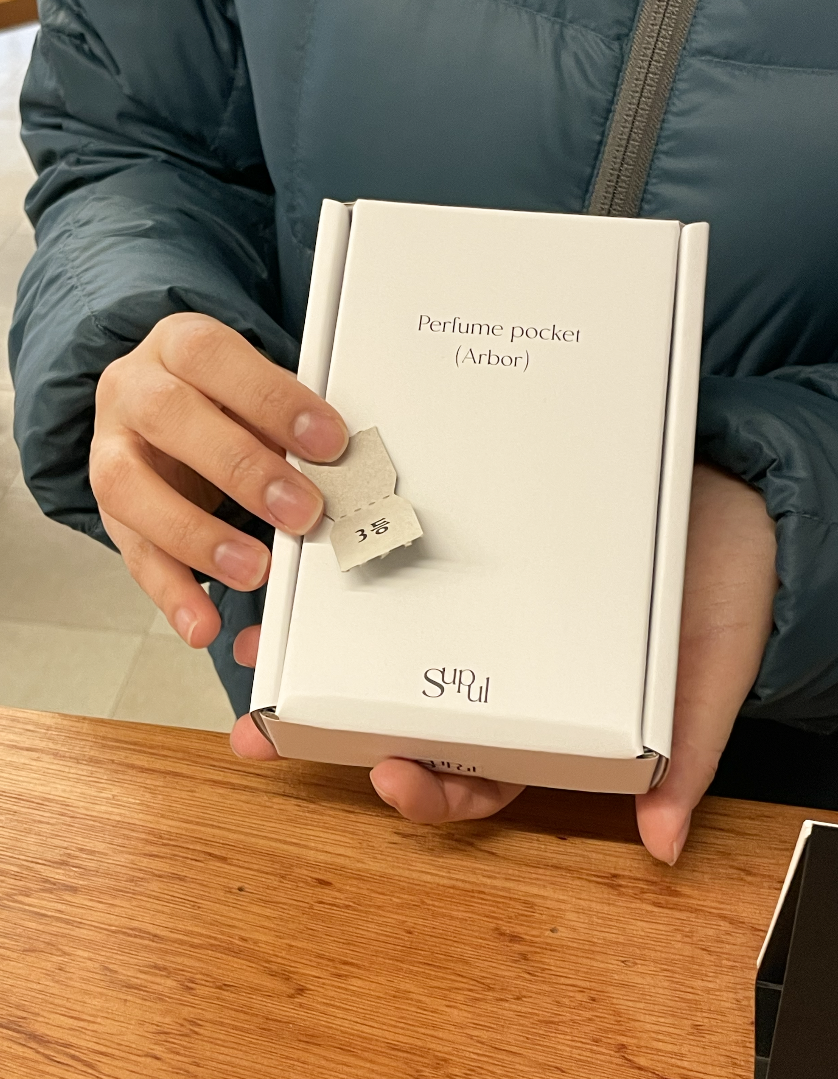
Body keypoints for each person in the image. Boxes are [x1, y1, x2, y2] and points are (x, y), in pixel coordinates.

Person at [10, 0, 838, 865]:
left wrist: (797, 513)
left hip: (771, 758)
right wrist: (149, 329)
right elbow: (126, 132)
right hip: (329, 674)